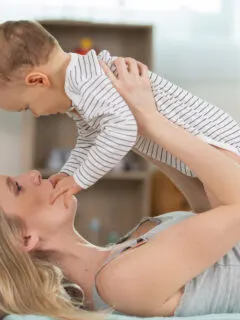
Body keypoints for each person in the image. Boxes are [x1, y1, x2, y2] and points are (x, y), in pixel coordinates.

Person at [1, 59, 240, 319]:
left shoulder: (123, 249)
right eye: (17, 188)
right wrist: (152, 122)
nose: (33, 174)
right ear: (25, 239)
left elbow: (213, 214)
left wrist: (132, 125)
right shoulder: (120, 282)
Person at [0, 20, 240, 211]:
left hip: (217, 145)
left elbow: (122, 131)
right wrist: (67, 172)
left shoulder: (89, 84)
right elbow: (89, 139)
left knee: (223, 218)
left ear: (39, 81)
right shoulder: (78, 89)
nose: (36, 114)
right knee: (209, 213)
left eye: (26, 108)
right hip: (199, 156)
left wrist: (80, 179)